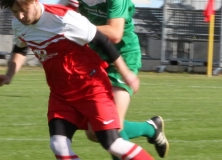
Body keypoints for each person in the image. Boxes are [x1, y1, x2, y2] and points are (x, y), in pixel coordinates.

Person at [0, 0, 154, 159]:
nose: (20, 16)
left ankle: (150, 131)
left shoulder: (64, 19)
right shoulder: (18, 25)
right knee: (58, 144)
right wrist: (9, 74)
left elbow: (103, 40)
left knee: (113, 144)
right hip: (61, 94)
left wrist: (125, 73)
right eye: (14, 12)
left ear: (34, 1)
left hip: (91, 88)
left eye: (23, 10)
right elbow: (20, 47)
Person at [59, 0, 169, 159]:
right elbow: (62, 15)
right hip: (97, 56)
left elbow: (115, 33)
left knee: (110, 129)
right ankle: (151, 128)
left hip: (124, 56)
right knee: (93, 132)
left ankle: (150, 130)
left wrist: (77, 28)